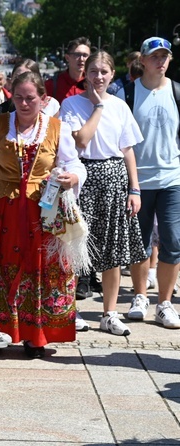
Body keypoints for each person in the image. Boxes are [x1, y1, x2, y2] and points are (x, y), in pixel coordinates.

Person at [0, 71, 87, 358]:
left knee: (40, 268)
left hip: (42, 209)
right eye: (18, 97)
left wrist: (71, 178)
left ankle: (36, 334)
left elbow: (75, 164)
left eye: (30, 98)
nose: (23, 103)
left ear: (43, 99)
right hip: (1, 210)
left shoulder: (58, 128)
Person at [59, 50, 146, 335]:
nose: (98, 77)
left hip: (114, 179)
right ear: (87, 74)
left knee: (113, 249)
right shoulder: (71, 104)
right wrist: (97, 107)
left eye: (104, 72)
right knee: (75, 247)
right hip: (82, 176)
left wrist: (135, 188)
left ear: (111, 74)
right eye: (93, 71)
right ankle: (70, 309)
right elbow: (81, 141)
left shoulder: (120, 106)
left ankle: (109, 313)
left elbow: (127, 150)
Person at [116, 37, 180, 329]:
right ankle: (140, 296)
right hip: (138, 181)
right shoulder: (127, 93)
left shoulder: (177, 91)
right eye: (155, 56)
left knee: (173, 242)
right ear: (142, 60)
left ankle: (164, 303)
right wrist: (130, 184)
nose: (161, 61)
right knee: (138, 244)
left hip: (172, 179)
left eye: (165, 56)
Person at [45, 37, 91, 104]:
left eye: (85, 55)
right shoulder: (52, 84)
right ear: (67, 58)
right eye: (77, 55)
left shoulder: (93, 83)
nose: (81, 59)